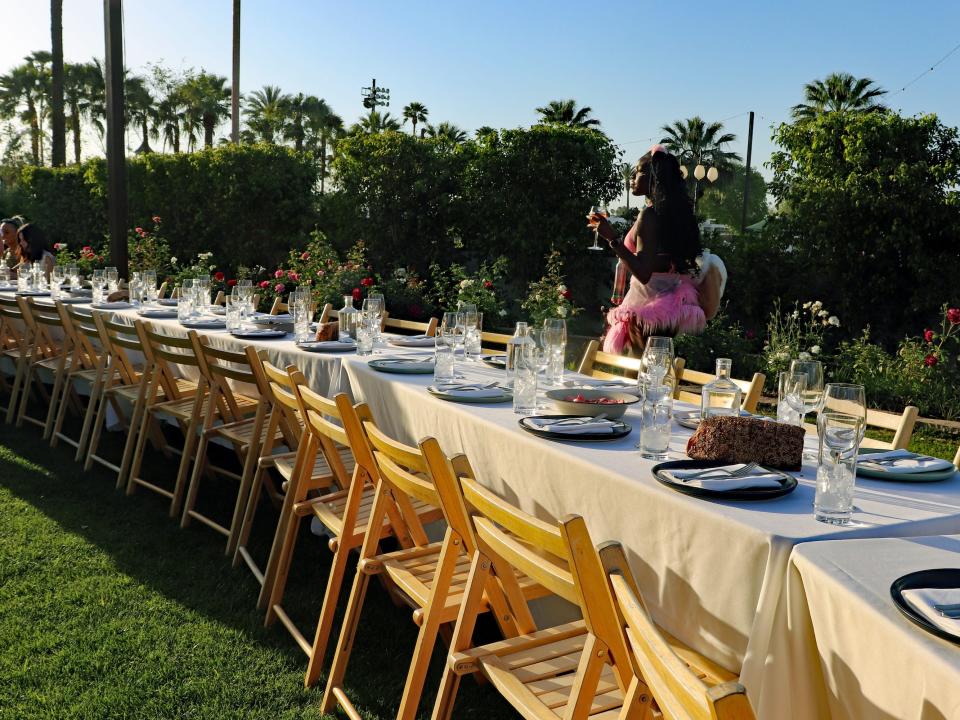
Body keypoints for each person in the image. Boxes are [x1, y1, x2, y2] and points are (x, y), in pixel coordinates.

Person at [588, 145, 725, 355]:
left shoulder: (649, 215)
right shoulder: (675, 215)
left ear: (654, 178)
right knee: (654, 373)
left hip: (645, 309)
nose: (632, 176)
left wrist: (612, 239)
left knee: (635, 377)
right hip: (667, 307)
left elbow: (644, 273)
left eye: (639, 171)